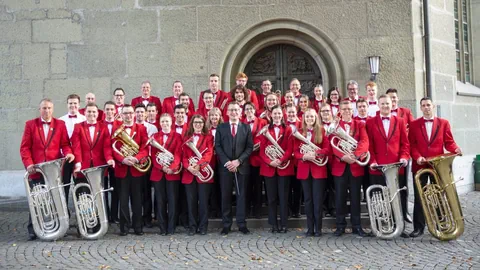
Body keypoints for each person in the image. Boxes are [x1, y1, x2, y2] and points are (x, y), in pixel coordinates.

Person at [20, 98, 74, 240]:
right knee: (36, 200)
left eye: (49, 108)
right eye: (44, 108)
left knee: (57, 199)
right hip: (36, 170)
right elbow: (25, 148)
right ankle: (33, 229)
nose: (47, 111)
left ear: (53, 109)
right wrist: (29, 164)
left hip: (54, 170)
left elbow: (65, 144)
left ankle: (61, 227)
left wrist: (68, 153)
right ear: (40, 110)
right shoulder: (30, 125)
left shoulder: (60, 124)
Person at [408, 97, 462, 238]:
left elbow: (449, 142)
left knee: (438, 195)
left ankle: (441, 224)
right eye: (423, 105)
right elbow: (412, 145)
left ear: (433, 106)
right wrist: (418, 157)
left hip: (437, 166)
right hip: (420, 165)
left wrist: (455, 148)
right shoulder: (414, 125)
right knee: (420, 197)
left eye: (428, 105)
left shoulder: (443, 123)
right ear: (421, 108)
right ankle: (418, 227)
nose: (426, 108)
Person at [366, 94, 410, 238]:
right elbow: (369, 145)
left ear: (392, 105)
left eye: (388, 104)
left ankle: (401, 227)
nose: (385, 106)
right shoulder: (371, 122)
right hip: (377, 167)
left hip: (396, 167)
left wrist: (404, 157)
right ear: (378, 105)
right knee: (378, 198)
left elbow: (405, 144)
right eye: (383, 103)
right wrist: (372, 161)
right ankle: (379, 227)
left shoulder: (400, 121)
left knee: (399, 197)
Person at [71, 103, 115, 233]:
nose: (91, 114)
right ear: (85, 113)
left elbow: (106, 147)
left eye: (94, 112)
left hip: (99, 169)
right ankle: (85, 224)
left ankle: (99, 224)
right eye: (89, 112)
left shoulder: (103, 128)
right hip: (82, 169)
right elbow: (76, 146)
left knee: (98, 197)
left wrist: (109, 159)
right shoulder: (78, 127)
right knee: (84, 198)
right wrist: (78, 163)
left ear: (98, 113)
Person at [330, 101, 370, 237]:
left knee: (355, 198)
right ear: (340, 111)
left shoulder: (360, 125)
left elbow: (365, 142)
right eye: (344, 109)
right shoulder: (334, 127)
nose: (347, 111)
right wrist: (342, 157)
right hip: (339, 166)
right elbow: (332, 145)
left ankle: (356, 226)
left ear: (353, 111)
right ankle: (340, 226)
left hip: (355, 166)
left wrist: (355, 154)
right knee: (340, 198)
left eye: (349, 109)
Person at [214, 102, 253, 235]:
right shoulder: (221, 127)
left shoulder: (246, 128)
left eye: (236, 110)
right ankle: (226, 224)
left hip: (241, 167)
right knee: (225, 196)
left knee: (242, 196)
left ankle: (242, 224)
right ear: (227, 112)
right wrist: (227, 162)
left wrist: (238, 161)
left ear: (240, 112)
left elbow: (249, 147)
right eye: (231, 110)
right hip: (225, 168)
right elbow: (217, 146)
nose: (234, 112)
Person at [111, 104, 149, 236]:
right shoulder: (116, 129)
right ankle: (124, 228)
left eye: (130, 113)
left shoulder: (141, 128)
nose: (128, 116)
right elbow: (113, 148)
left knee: (137, 200)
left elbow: (145, 148)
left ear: (134, 114)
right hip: (122, 169)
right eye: (125, 113)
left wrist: (136, 158)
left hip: (136, 169)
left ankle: (138, 227)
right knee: (123, 200)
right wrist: (122, 159)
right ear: (121, 115)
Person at [293, 109, 330, 236]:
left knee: (318, 200)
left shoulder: (322, 131)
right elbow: (295, 152)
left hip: (318, 170)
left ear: (316, 118)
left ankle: (318, 229)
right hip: (304, 170)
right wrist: (304, 157)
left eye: (312, 116)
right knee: (308, 200)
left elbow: (327, 149)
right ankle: (309, 228)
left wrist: (315, 153)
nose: (309, 118)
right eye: (307, 116)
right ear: (304, 118)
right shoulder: (299, 133)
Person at [259, 105, 294, 233]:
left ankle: (284, 223)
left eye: (279, 114)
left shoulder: (289, 129)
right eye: (275, 114)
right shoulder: (265, 130)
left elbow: (290, 149)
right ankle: (273, 223)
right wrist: (270, 161)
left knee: (284, 197)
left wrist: (281, 159)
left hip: (284, 167)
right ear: (271, 115)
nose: (277, 116)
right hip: (269, 168)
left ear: (282, 115)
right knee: (271, 198)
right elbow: (262, 151)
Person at [149, 113, 183, 235]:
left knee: (172, 200)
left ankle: (171, 227)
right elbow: (153, 155)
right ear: (160, 123)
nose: (165, 124)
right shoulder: (154, 136)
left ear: (171, 122)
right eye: (162, 121)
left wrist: (172, 167)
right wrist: (162, 167)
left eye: (167, 121)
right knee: (160, 201)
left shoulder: (177, 136)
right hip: (158, 172)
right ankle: (162, 228)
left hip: (172, 173)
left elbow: (178, 154)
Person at [182, 115, 214, 235]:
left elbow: (209, 154)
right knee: (191, 202)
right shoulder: (186, 138)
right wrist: (189, 167)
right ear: (192, 124)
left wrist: (199, 166)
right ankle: (192, 226)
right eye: (196, 122)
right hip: (189, 174)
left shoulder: (209, 137)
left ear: (203, 124)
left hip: (203, 173)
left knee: (204, 202)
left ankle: (203, 226)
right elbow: (183, 156)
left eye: (200, 122)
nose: (198, 124)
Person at [59, 94, 86, 207]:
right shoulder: (60, 120)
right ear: (67, 104)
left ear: (79, 104)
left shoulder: (85, 119)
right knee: (64, 187)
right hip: (65, 158)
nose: (73, 105)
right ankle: (65, 216)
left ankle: (83, 216)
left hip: (80, 158)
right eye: (70, 103)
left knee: (82, 187)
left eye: (75, 103)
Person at [134, 103, 158, 228]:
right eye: (137, 112)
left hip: (149, 162)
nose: (139, 114)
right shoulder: (130, 127)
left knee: (148, 192)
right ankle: (137, 217)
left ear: (146, 114)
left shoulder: (153, 128)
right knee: (137, 192)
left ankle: (148, 217)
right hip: (135, 162)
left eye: (142, 112)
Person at [242, 102, 267, 219]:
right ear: (244, 111)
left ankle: (257, 211)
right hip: (245, 159)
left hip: (258, 158)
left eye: (251, 109)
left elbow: (265, 138)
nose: (249, 111)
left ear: (254, 109)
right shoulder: (241, 123)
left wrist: (257, 146)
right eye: (247, 109)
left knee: (257, 185)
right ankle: (246, 209)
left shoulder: (263, 122)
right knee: (246, 186)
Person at [103, 101, 120, 223]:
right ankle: (105, 215)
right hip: (102, 161)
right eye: (107, 109)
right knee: (102, 189)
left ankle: (114, 215)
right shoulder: (99, 124)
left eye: (111, 110)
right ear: (104, 111)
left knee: (116, 189)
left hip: (116, 161)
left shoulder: (121, 125)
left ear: (115, 111)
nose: (109, 112)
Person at [206, 107, 223, 218]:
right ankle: (213, 209)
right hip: (210, 161)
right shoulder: (206, 130)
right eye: (212, 115)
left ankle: (221, 209)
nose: (214, 117)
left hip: (221, 160)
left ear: (219, 117)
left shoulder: (224, 128)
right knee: (211, 186)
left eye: (216, 115)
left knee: (221, 186)